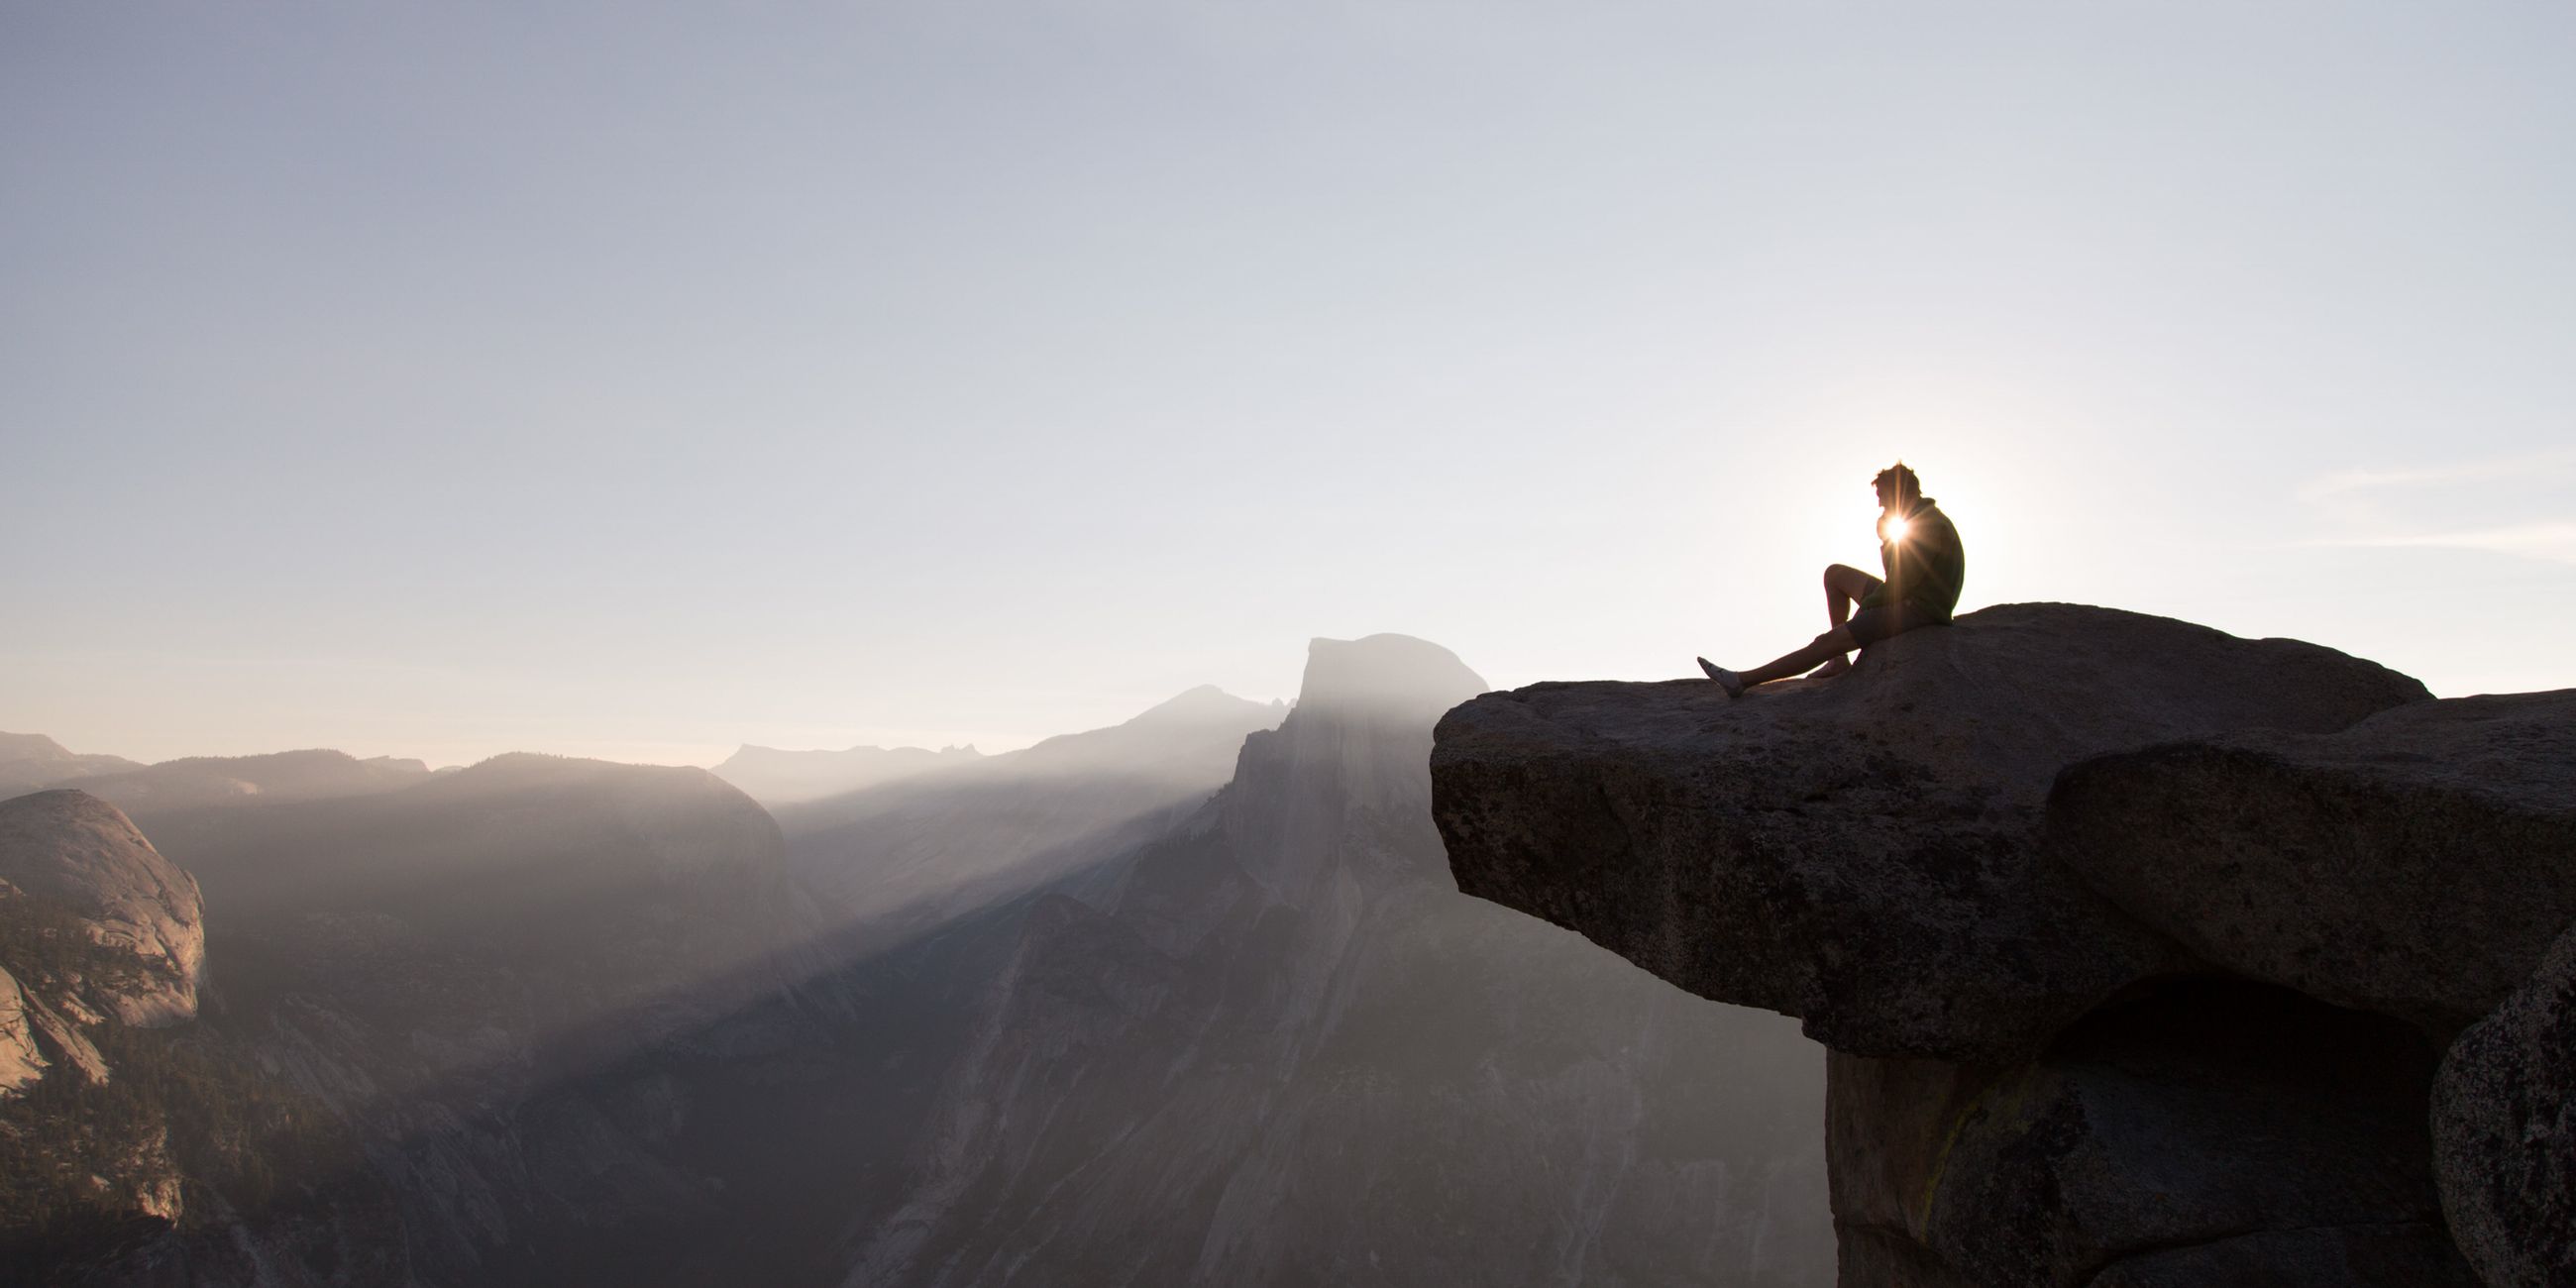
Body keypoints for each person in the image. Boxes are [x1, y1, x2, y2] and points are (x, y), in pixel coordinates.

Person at [1696, 463, 1965, 698]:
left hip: (1919, 608)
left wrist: (1864, 612)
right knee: (1835, 574)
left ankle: (1741, 681)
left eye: (1883, 497)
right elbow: (1896, 576)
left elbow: (1899, 585)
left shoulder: (1927, 525)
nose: (1880, 504)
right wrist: (1886, 540)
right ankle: (1838, 661)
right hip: (1909, 594)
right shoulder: (1918, 519)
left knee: (1827, 641)